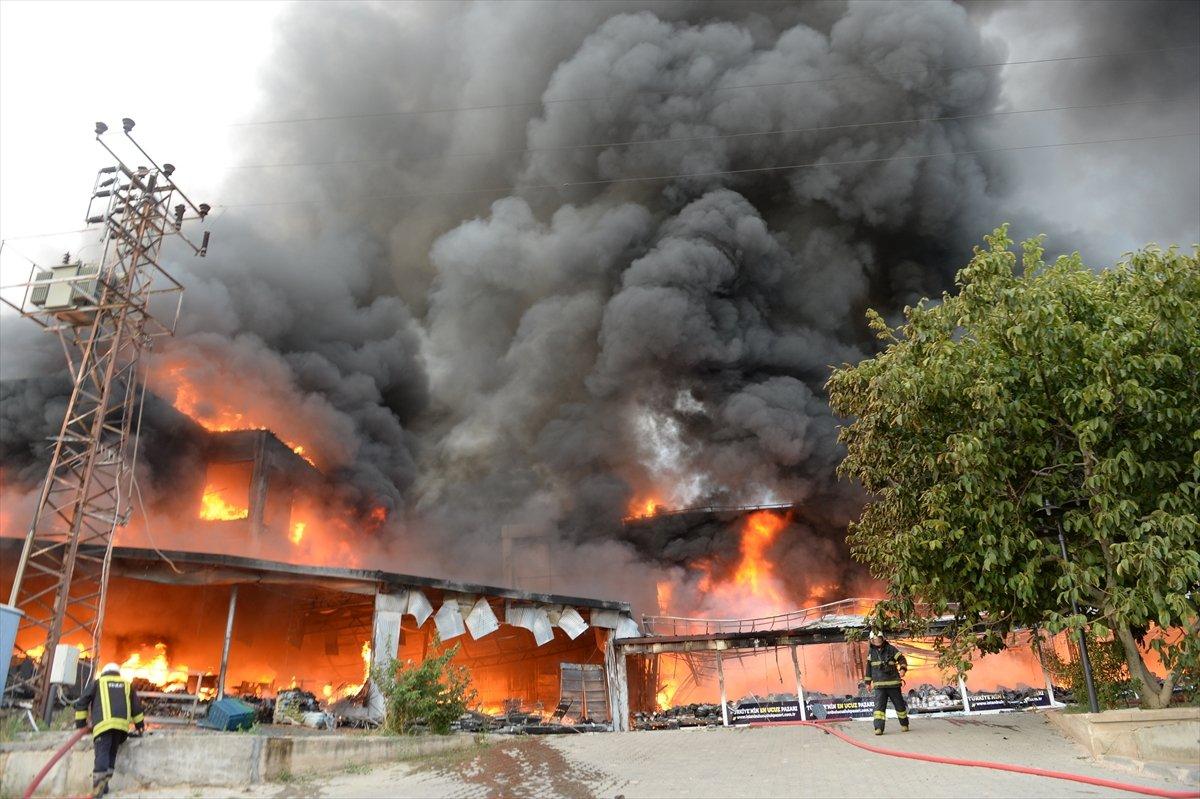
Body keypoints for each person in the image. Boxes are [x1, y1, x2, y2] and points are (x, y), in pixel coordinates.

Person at [74, 662, 144, 797]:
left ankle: (97, 791)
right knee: (111, 754)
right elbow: (137, 708)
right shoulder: (127, 684)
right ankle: (104, 787)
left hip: (103, 726)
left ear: (104, 672)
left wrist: (81, 724)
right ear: (118, 673)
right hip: (121, 727)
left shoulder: (98, 683)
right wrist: (140, 727)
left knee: (102, 754)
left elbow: (82, 702)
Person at [864, 631, 909, 735]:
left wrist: (902, 669)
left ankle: (904, 724)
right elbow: (868, 668)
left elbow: (901, 659)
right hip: (879, 685)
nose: (877, 641)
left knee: (899, 705)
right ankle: (878, 728)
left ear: (882, 638)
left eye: (879, 638)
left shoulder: (891, 649)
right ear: (871, 640)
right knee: (879, 709)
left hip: (893, 684)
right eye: (874, 639)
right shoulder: (871, 652)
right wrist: (867, 683)